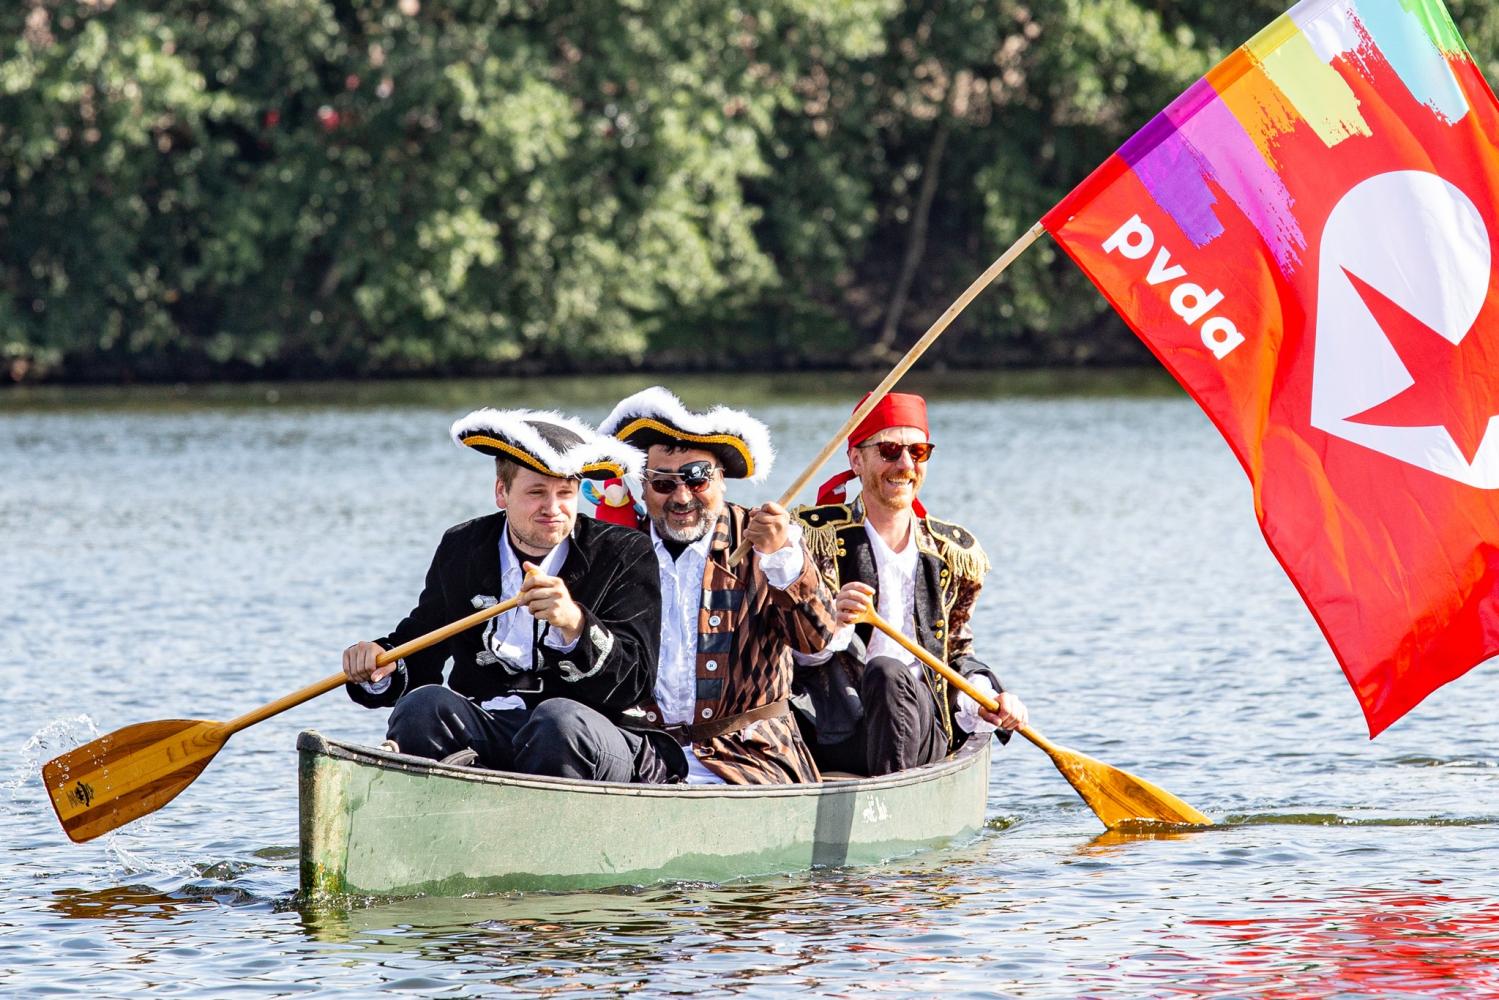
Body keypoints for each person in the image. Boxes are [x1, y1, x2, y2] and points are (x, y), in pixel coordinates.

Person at [341, 407, 678, 783]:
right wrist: (380, 665)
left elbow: (636, 681)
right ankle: (457, 808)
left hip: (599, 736)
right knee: (422, 707)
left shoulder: (624, 551)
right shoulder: (463, 546)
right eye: (536, 493)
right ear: (502, 492)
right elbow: (421, 648)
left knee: (557, 721)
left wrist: (575, 624)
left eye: (565, 493)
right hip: (495, 726)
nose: (553, 509)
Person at [598, 386, 840, 783]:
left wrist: (783, 560)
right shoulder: (618, 550)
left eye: (697, 479)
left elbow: (817, 639)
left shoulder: (767, 539)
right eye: (663, 483)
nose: (681, 497)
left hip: (752, 756)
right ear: (641, 486)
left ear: (721, 479)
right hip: (642, 755)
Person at [791, 392, 1029, 776]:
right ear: (856, 459)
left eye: (917, 452)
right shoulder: (811, 537)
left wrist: (985, 700)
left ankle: (893, 794)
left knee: (888, 672)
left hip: (920, 724)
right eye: (888, 450)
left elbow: (955, 652)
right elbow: (788, 651)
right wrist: (830, 621)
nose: (904, 465)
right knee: (882, 672)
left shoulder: (952, 551)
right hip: (832, 724)